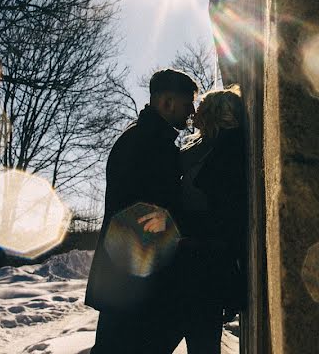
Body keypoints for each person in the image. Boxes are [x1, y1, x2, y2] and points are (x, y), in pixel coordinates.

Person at [85, 68, 197, 353]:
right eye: (187, 104)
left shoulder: (141, 139)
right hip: (133, 278)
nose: (192, 111)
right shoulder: (150, 145)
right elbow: (155, 211)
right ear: (166, 102)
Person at [165, 85, 248, 352]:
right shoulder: (198, 146)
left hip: (205, 265)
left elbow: (228, 214)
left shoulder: (228, 149)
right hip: (184, 262)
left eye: (201, 106)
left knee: (202, 343)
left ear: (215, 113)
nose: (194, 110)